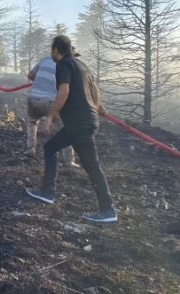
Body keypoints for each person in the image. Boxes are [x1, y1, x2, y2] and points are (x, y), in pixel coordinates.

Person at [26, 35, 116, 223]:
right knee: (84, 162)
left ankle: (49, 192)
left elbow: (64, 91)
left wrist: (50, 116)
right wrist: (98, 108)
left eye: (53, 50)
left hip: (78, 123)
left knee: (60, 152)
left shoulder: (64, 64)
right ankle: (106, 210)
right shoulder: (83, 66)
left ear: (56, 50)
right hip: (88, 121)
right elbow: (95, 91)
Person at [25, 56, 76, 167]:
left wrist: (41, 82)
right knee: (66, 127)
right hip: (49, 100)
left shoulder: (45, 59)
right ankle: (68, 160)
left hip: (33, 98)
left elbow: (30, 75)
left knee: (32, 122)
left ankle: (30, 149)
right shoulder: (68, 65)